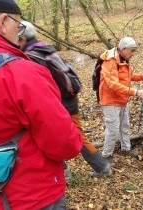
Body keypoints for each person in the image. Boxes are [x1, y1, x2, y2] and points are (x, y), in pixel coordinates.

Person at [0, 0, 83, 209]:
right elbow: (65, 144)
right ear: (3, 21)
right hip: (28, 196)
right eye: (19, 25)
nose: (20, 33)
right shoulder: (19, 72)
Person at [18, 21, 112, 178]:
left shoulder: (31, 57)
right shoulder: (45, 48)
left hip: (57, 103)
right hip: (70, 99)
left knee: (49, 137)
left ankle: (65, 171)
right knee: (77, 135)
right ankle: (102, 167)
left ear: (22, 39)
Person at [99, 37, 143, 160]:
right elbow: (113, 84)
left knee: (124, 126)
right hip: (110, 101)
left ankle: (126, 149)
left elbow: (129, 76)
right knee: (113, 130)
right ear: (124, 49)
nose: (133, 54)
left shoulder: (124, 59)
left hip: (122, 99)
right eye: (132, 51)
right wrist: (136, 92)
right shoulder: (110, 61)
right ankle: (106, 157)